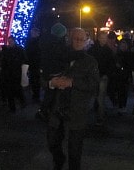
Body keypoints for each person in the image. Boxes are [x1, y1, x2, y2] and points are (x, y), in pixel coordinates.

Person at [44, 27, 100, 170]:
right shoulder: (59, 56)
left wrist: (72, 82)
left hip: (77, 109)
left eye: (82, 39)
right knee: (52, 141)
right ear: (69, 39)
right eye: (76, 38)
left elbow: (93, 85)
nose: (78, 42)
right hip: (57, 107)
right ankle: (59, 160)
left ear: (86, 41)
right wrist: (52, 83)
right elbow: (43, 77)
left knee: (75, 149)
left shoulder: (90, 62)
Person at [88, 31, 116, 125]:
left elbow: (111, 64)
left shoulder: (107, 51)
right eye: (103, 38)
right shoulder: (93, 49)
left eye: (105, 38)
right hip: (95, 76)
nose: (104, 40)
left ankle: (100, 117)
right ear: (99, 38)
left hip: (102, 76)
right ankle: (97, 115)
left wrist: (107, 74)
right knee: (96, 96)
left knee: (100, 97)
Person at [0, 36, 27, 112]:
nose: (10, 43)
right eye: (9, 41)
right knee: (10, 90)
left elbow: (24, 58)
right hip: (8, 72)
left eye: (11, 41)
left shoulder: (19, 49)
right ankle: (12, 107)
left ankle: (22, 101)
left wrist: (17, 63)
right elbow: (4, 61)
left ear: (14, 41)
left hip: (16, 72)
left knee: (17, 88)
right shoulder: (7, 50)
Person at [25, 27, 43, 102]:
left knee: (36, 81)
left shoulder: (38, 42)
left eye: (34, 33)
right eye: (32, 33)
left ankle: (36, 96)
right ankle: (35, 95)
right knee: (33, 80)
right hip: (33, 64)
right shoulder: (31, 41)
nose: (32, 34)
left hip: (36, 64)